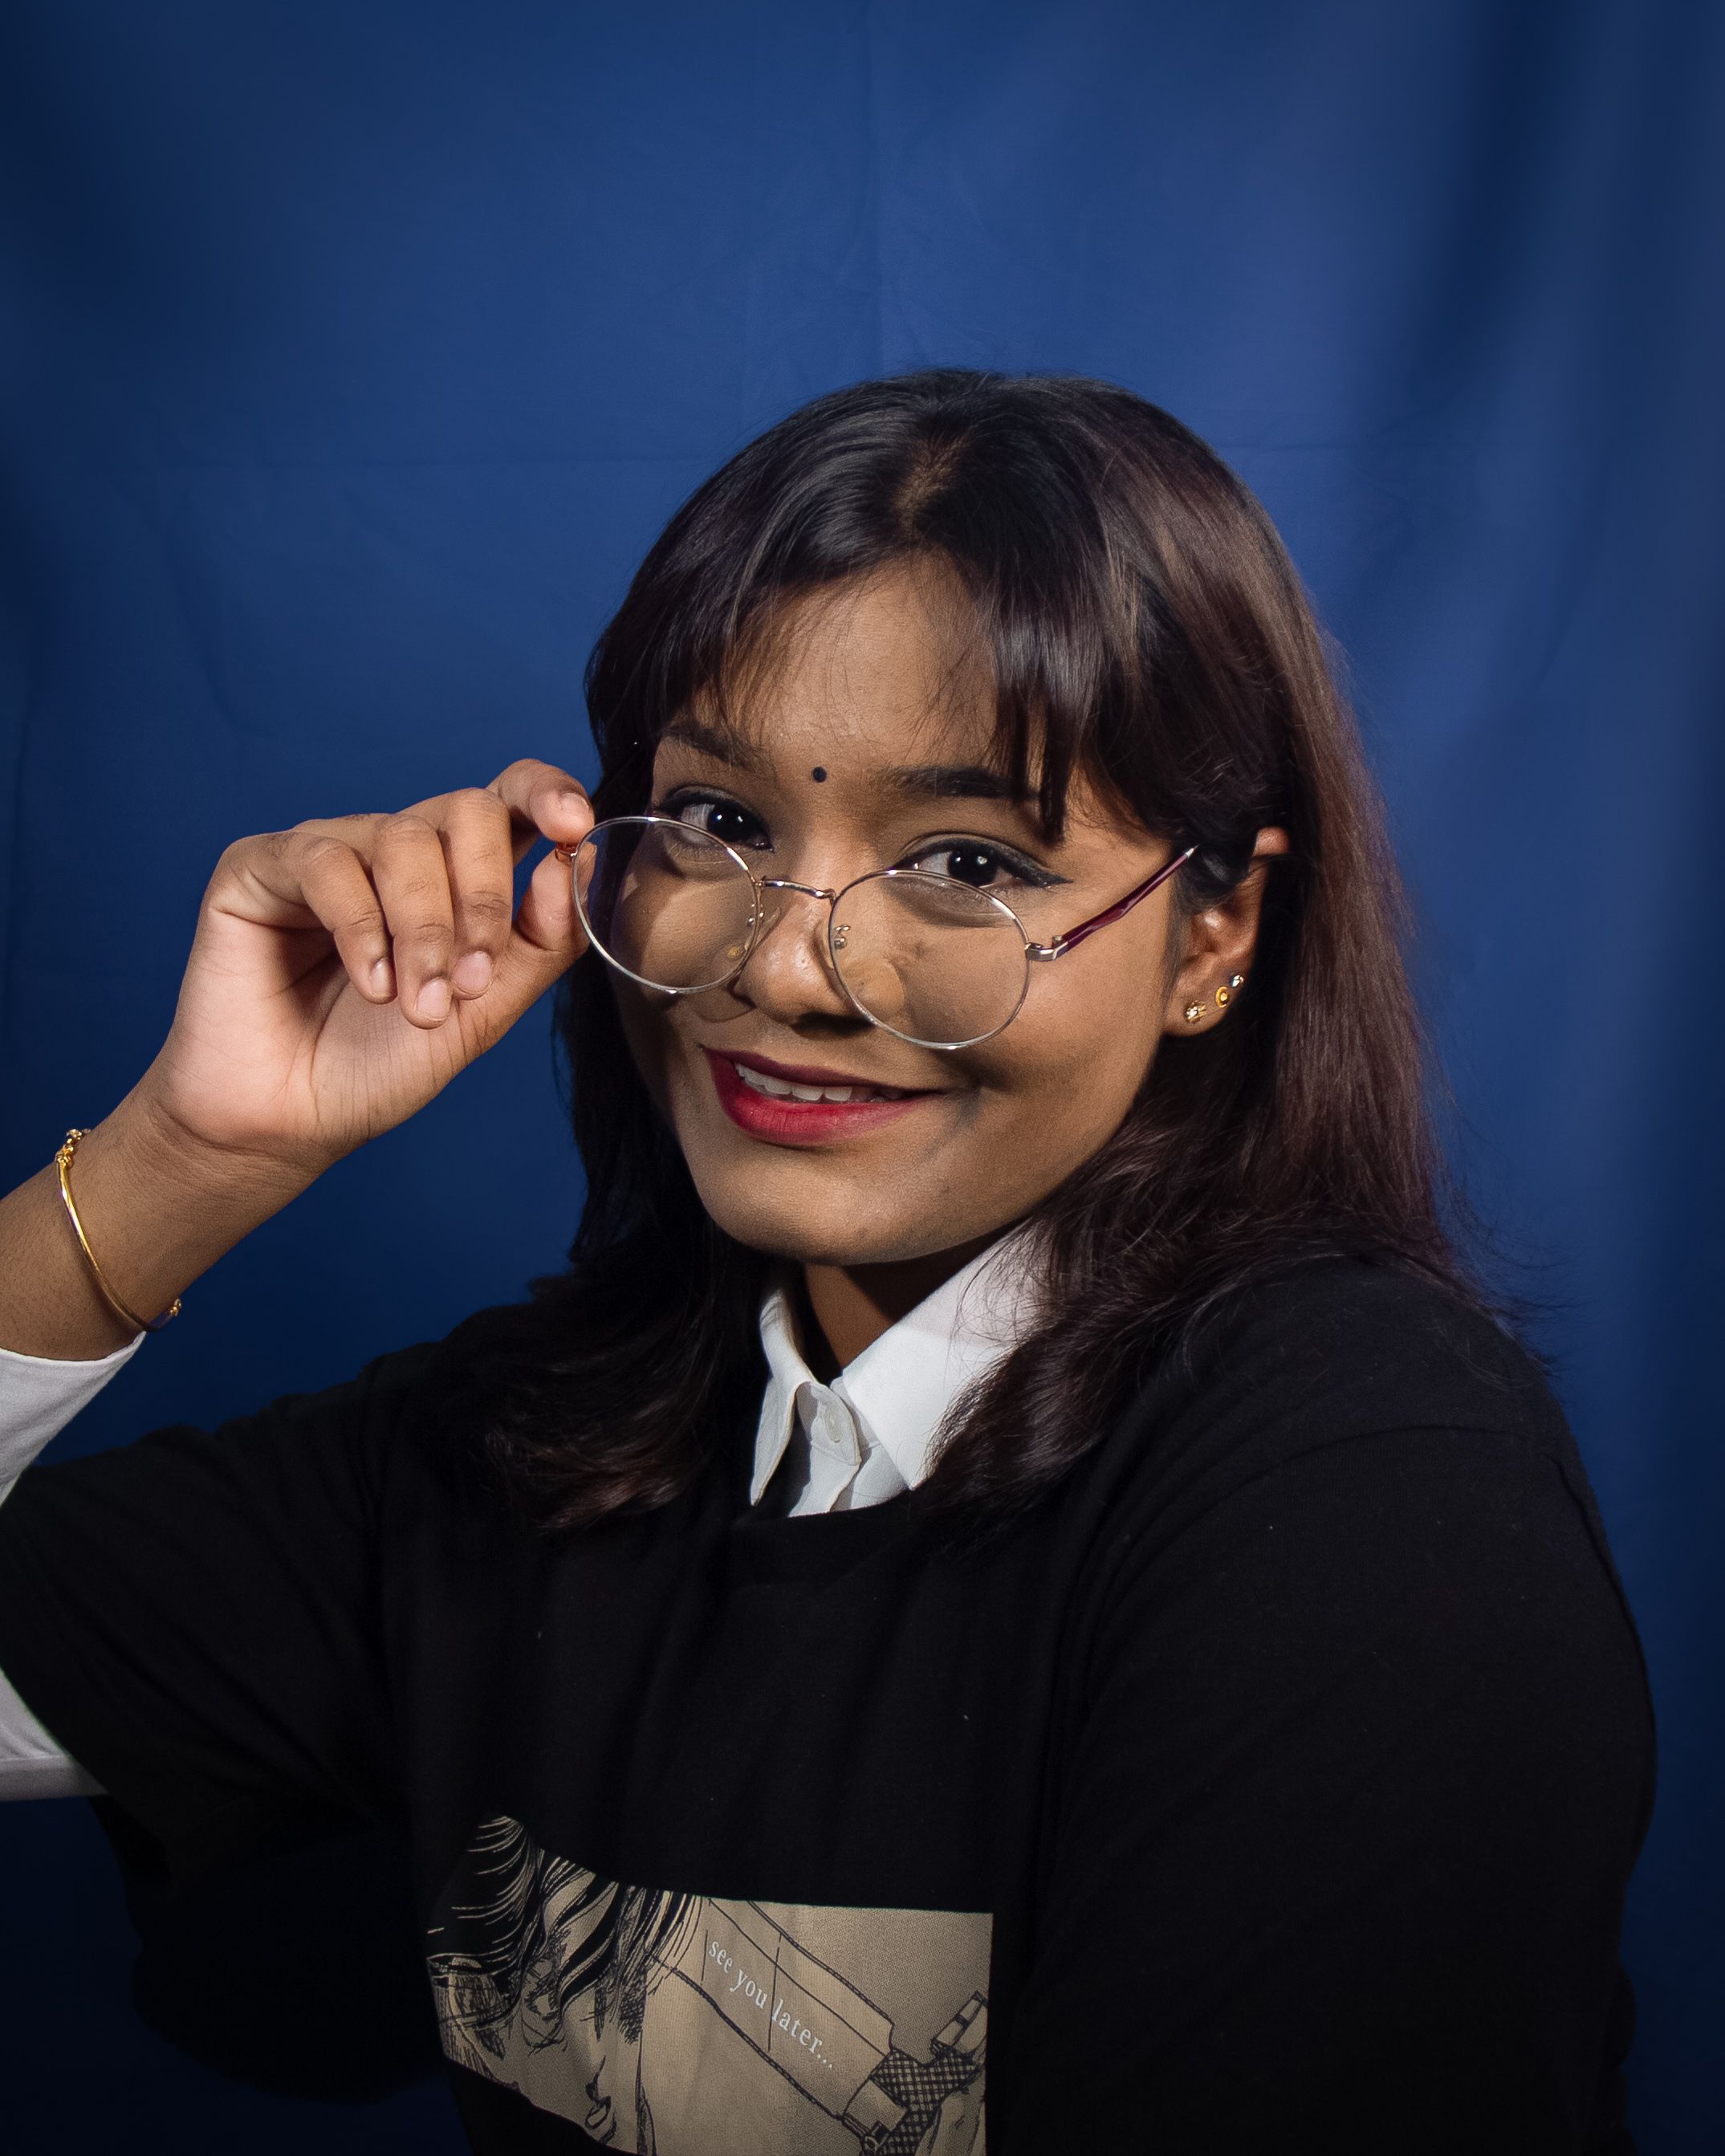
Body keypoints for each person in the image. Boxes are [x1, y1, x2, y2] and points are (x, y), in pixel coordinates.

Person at [0, 370, 1654, 2154]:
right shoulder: (520, 1449)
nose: (787, 971)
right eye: (721, 822)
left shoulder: (1363, 1489)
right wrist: (191, 1156)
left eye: (968, 860)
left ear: (1210, 933)